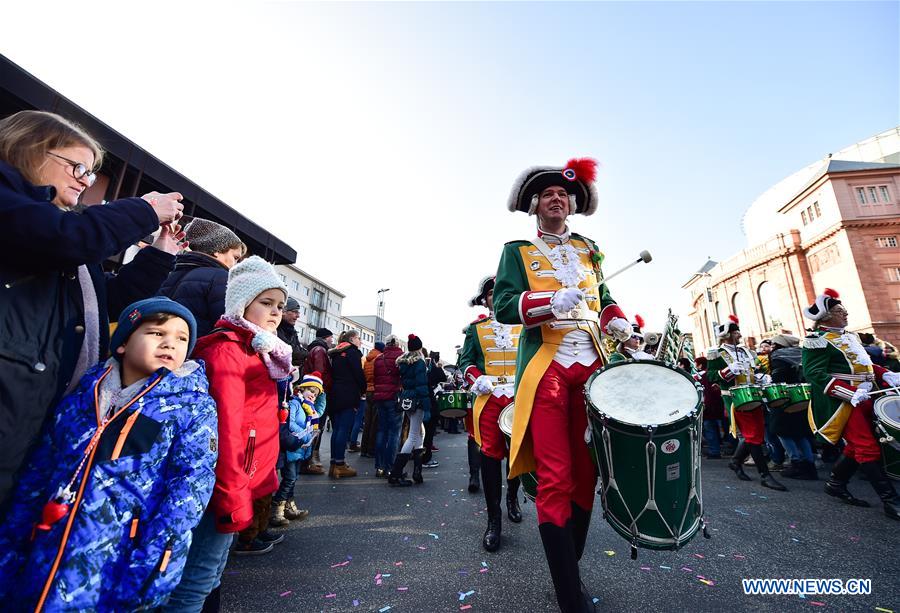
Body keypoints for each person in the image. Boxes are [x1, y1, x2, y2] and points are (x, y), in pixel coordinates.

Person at [0, 110, 186, 510]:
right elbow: (66, 239)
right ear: (29, 150)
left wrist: (161, 253)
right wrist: (144, 209)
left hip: (32, 412)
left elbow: (109, 303)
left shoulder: (60, 229)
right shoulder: (21, 212)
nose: (86, 180)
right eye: (78, 166)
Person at [0, 298, 216, 611]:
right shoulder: (86, 390)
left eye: (182, 338)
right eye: (157, 333)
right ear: (123, 343)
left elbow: (190, 487)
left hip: (118, 558)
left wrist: (157, 562)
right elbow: (42, 464)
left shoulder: (190, 406)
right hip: (47, 541)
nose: (171, 343)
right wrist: (13, 538)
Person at [493, 158, 634, 611]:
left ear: (572, 204)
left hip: (592, 366)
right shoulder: (517, 249)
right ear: (535, 204)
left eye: (564, 195)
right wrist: (547, 300)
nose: (558, 199)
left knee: (587, 473)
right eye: (549, 194)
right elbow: (503, 305)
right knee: (555, 476)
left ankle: (567, 572)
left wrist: (619, 323)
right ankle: (569, 593)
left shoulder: (590, 248)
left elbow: (604, 298)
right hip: (548, 365)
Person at [165, 256, 293, 610]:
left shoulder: (259, 350)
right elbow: (225, 431)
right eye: (265, 303)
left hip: (241, 476)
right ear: (241, 302)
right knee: (196, 582)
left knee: (213, 574)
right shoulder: (228, 351)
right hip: (224, 481)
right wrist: (234, 491)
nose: (275, 312)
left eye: (279, 305)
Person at [801, 288, 900, 520]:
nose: (845, 314)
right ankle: (891, 501)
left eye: (844, 309)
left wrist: (884, 374)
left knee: (859, 446)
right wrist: (848, 393)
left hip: (868, 395)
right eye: (839, 311)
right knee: (867, 447)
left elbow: (862, 366)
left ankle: (836, 483)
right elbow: (814, 374)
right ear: (825, 317)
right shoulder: (816, 341)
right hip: (843, 401)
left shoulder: (851, 336)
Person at [459, 275, 523, 552]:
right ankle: (493, 520)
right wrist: (475, 378)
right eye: (490, 294)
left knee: (517, 454)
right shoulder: (476, 329)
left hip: (521, 397)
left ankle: (513, 498)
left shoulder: (526, 326)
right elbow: (466, 361)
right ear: (484, 299)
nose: (496, 297)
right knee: (490, 456)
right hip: (489, 397)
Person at [707, 315, 787, 491]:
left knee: (756, 433)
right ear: (727, 335)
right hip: (735, 397)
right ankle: (765, 475)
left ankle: (736, 461)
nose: (739, 335)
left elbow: (754, 370)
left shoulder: (746, 351)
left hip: (754, 394)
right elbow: (712, 376)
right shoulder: (716, 353)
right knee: (752, 435)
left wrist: (761, 377)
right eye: (735, 332)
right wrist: (727, 371)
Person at [159, 217, 246, 337]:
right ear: (217, 250)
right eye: (235, 257)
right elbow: (228, 324)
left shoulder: (172, 270)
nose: (235, 264)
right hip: (197, 348)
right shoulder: (221, 277)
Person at [271, 372, 326, 526]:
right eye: (311, 391)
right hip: (292, 446)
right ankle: (277, 509)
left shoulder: (311, 409)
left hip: (300, 448)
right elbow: (290, 423)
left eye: (316, 394)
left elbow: (319, 410)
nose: (313, 396)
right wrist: (306, 433)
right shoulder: (295, 403)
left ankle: (288, 506)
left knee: (293, 479)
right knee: (289, 478)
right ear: (302, 389)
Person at [766, 334, 817, 480]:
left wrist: (769, 381)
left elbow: (778, 378)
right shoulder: (801, 354)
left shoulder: (778, 356)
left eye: (774, 344)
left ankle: (796, 462)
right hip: (801, 397)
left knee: (782, 431)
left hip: (784, 397)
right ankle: (809, 465)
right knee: (800, 433)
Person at [389, 334, 431, 487]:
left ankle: (417, 473)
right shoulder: (419, 362)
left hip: (406, 399)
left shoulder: (403, 362)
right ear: (419, 347)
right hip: (417, 400)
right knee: (413, 435)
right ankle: (396, 473)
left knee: (418, 433)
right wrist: (427, 406)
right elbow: (422, 386)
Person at [327, 330, 367, 478]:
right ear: (351, 339)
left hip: (335, 393)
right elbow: (358, 374)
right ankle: (340, 464)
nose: (360, 342)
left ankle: (333, 463)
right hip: (348, 393)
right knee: (344, 429)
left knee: (337, 429)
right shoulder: (353, 352)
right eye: (358, 338)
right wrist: (363, 389)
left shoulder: (336, 352)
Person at [301, 328, 334, 474]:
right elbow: (319, 372)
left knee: (310, 424)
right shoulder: (320, 350)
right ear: (326, 338)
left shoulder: (313, 348)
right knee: (316, 425)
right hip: (318, 391)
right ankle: (309, 461)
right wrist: (320, 391)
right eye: (331, 338)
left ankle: (307, 459)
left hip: (312, 390)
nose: (332, 341)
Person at [373, 335, 404, 478]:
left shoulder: (379, 358)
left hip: (380, 397)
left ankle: (379, 467)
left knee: (381, 431)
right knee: (394, 433)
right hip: (394, 397)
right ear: (397, 344)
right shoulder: (401, 357)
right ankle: (389, 467)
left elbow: (375, 378)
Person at [694, 356, 726, 459]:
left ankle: (714, 451)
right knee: (720, 427)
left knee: (709, 429)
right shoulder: (713, 374)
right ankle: (724, 447)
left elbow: (705, 392)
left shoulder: (702, 376)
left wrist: (704, 405)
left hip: (709, 407)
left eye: (697, 363)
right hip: (719, 405)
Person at [422, 351, 448, 468]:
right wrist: (438, 367)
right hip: (428, 400)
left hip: (414, 401)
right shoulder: (430, 366)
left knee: (414, 433)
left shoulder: (410, 364)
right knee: (428, 431)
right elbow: (443, 378)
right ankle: (425, 458)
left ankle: (416, 457)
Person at [359, 342, 385, 458]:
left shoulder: (368, 359)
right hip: (375, 390)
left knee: (367, 421)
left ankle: (363, 448)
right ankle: (371, 449)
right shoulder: (379, 359)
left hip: (368, 390)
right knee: (375, 422)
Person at [277, 297, 309, 370]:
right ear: (283, 312)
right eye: (295, 312)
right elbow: (292, 352)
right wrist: (304, 354)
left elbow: (297, 352)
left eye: (298, 312)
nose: (298, 316)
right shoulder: (276, 328)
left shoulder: (291, 330)